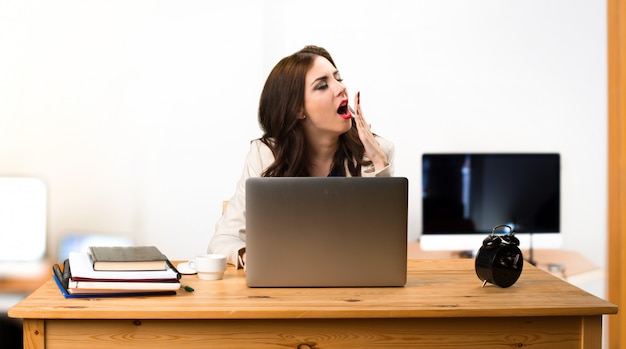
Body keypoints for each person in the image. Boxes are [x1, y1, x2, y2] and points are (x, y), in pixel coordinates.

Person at [208, 45, 395, 269]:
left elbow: (384, 244)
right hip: (285, 289)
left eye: (338, 78)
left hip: (355, 287)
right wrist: (249, 256)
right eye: (323, 85)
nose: (341, 88)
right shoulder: (266, 155)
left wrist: (379, 163)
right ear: (298, 109)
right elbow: (223, 240)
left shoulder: (376, 152)